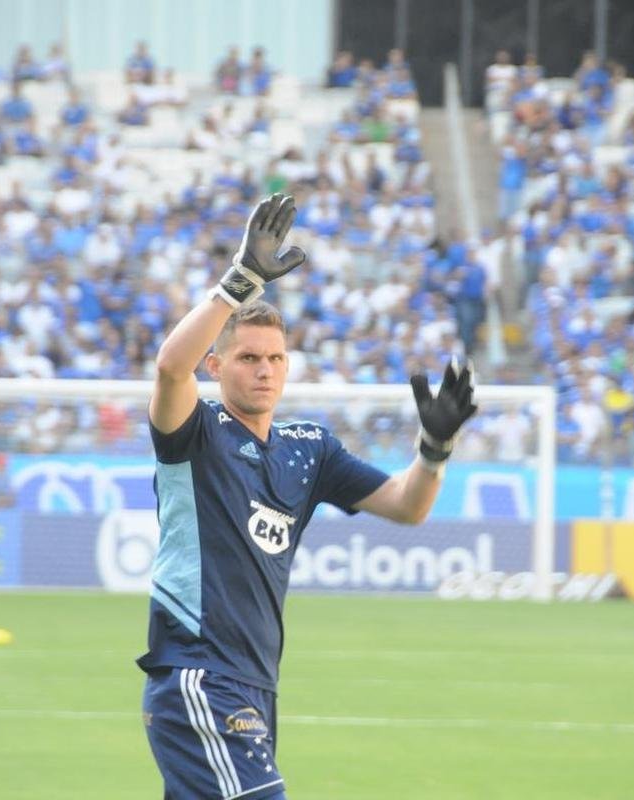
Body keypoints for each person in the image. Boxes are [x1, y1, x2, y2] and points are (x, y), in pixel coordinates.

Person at [138, 194, 477, 799]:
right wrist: (237, 284)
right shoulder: (196, 433)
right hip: (197, 673)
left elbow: (408, 505)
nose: (264, 370)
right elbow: (169, 368)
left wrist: (434, 447)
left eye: (275, 358)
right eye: (247, 358)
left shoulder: (309, 448)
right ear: (216, 365)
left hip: (255, 685)